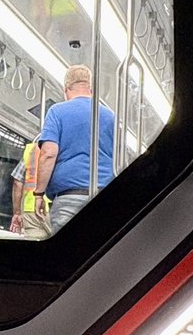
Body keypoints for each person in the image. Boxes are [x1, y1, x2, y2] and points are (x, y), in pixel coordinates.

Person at [33, 64, 115, 233]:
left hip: (69, 199)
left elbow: (48, 153)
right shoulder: (110, 116)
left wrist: (39, 194)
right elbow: (120, 161)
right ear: (90, 88)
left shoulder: (57, 111)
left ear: (66, 89)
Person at [9, 140, 51, 240]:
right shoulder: (64, 148)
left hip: (31, 211)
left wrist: (17, 213)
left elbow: (17, 182)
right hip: (54, 208)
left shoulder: (31, 150)